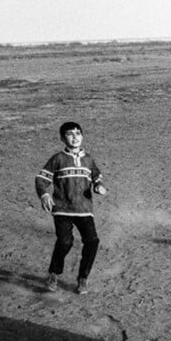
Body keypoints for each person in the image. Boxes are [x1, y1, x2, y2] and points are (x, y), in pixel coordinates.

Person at [35, 122, 107, 294]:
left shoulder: (88, 159)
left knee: (92, 241)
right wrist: (44, 194)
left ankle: (83, 278)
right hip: (62, 208)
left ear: (82, 136)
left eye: (78, 133)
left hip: (84, 209)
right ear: (62, 138)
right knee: (65, 242)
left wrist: (99, 186)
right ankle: (54, 273)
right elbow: (41, 179)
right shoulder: (57, 159)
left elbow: (96, 175)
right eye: (70, 134)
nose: (75, 137)